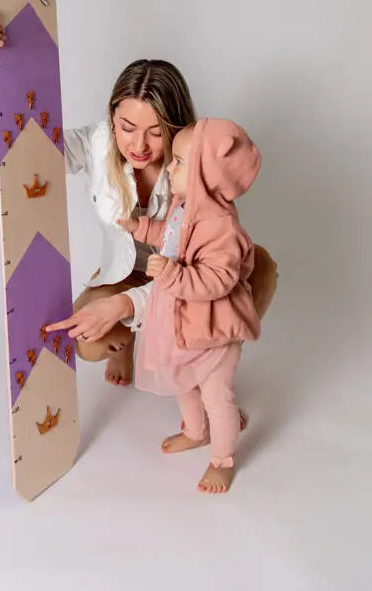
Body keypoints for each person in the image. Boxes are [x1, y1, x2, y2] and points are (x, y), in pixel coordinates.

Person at [0, 7, 196, 386]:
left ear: (176, 125)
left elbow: (206, 266)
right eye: (127, 127)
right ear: (112, 118)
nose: (139, 145)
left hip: (186, 278)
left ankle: (209, 384)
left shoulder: (195, 162)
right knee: (87, 342)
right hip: (123, 271)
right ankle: (124, 342)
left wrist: (121, 305)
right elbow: (21, 150)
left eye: (155, 132)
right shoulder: (98, 142)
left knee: (197, 336)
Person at [114, 118, 262, 494]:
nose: (170, 169)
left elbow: (219, 279)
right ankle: (195, 432)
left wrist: (173, 276)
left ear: (205, 174)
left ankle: (222, 459)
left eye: (179, 162)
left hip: (213, 326)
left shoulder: (222, 226)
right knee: (183, 381)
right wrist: (142, 229)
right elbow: (170, 238)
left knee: (217, 395)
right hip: (181, 318)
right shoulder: (185, 205)